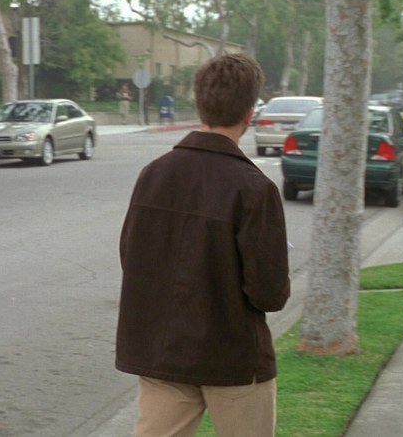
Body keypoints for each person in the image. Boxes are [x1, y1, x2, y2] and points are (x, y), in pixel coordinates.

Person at [116, 53, 291, 437]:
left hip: (164, 353)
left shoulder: (153, 175)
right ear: (249, 114)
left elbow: (132, 257)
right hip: (234, 359)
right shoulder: (254, 189)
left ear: (199, 105)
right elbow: (270, 292)